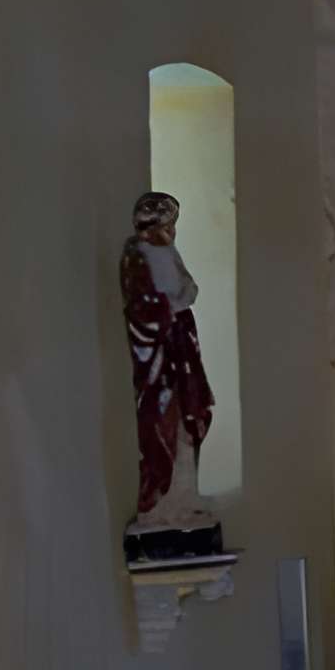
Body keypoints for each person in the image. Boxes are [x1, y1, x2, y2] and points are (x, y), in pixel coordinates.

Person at [124, 190, 216, 533]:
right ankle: (162, 501)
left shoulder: (168, 254)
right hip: (159, 362)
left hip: (181, 353)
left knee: (190, 419)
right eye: (168, 224)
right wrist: (168, 309)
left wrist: (181, 301)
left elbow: (188, 288)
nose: (172, 232)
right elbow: (140, 306)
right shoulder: (136, 256)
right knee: (163, 423)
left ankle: (185, 496)